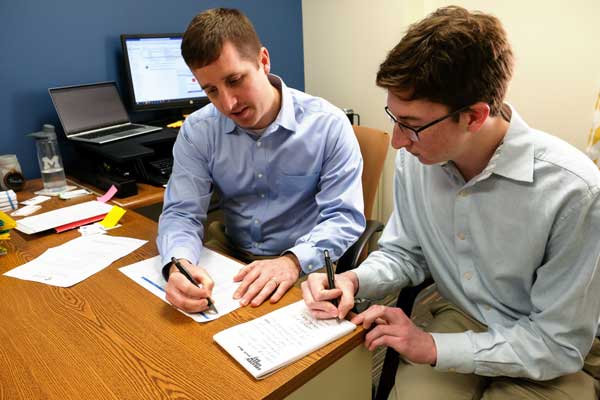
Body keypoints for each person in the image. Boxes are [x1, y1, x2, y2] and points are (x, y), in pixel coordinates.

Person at [302, 6, 600, 399]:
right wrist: (353, 280)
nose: (396, 141)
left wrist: (432, 347)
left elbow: (557, 344)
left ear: (475, 116)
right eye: (395, 117)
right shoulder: (417, 158)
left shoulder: (575, 191)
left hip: (550, 349)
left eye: (411, 124)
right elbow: (406, 253)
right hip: (465, 315)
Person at [157, 8, 365, 314]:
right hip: (230, 258)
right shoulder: (199, 130)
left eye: (235, 80)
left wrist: (292, 261)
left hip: (302, 263)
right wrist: (179, 264)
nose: (227, 103)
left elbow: (343, 218)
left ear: (263, 61)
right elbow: (182, 213)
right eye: (211, 90)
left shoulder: (327, 125)